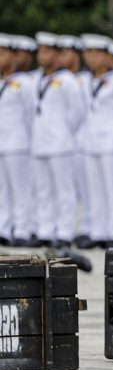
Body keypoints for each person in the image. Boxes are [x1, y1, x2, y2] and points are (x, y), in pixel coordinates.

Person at [29, 32, 86, 248]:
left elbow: (78, 112)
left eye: (47, 51)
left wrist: (63, 131)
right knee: (43, 189)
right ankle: (45, 229)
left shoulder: (67, 81)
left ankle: (64, 232)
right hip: (39, 142)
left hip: (60, 143)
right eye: (40, 51)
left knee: (64, 190)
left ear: (57, 54)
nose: (42, 56)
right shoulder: (34, 79)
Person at [80, 35, 113, 247]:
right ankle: (98, 232)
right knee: (95, 189)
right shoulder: (85, 80)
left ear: (108, 57)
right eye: (88, 54)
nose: (92, 58)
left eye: (97, 54)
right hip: (91, 142)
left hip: (111, 141)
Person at [0, 34, 36, 245]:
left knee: (21, 188)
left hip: (18, 143)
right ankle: (4, 227)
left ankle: (23, 229)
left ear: (13, 57)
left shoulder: (24, 83)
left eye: (3, 54)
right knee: (2, 189)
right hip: (1, 142)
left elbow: (31, 113)